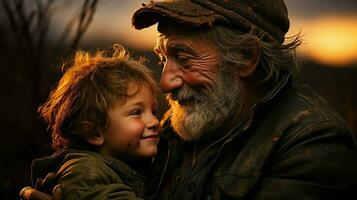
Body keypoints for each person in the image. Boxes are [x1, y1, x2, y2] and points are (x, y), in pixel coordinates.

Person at [21, 0, 357, 199]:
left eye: (185, 57)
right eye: (164, 57)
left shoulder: (313, 144)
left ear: (246, 59)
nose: (166, 82)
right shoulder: (173, 127)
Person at [20, 46, 160, 200]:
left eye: (154, 112)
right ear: (93, 131)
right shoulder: (85, 174)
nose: (154, 121)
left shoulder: (125, 165)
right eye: (136, 113)